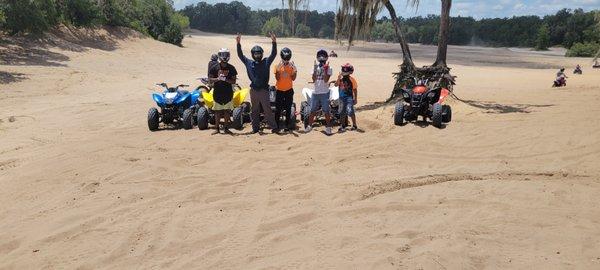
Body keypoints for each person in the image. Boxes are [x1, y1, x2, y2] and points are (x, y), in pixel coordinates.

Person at [236, 33, 278, 134]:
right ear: (252, 54)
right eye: (255, 54)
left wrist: (274, 42)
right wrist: (238, 43)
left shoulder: (266, 62)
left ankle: (274, 127)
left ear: (262, 54)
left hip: (264, 90)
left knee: (267, 110)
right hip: (254, 90)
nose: (257, 55)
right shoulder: (249, 63)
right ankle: (255, 128)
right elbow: (240, 55)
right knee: (254, 110)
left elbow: (274, 54)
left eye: (259, 53)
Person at [208, 48, 238, 135]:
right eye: (222, 54)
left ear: (228, 55)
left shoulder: (232, 68)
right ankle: (217, 128)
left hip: (228, 92)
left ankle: (226, 128)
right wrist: (217, 79)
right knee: (217, 111)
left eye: (226, 54)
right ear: (219, 55)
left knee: (227, 111)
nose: (224, 57)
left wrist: (225, 79)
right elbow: (210, 80)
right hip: (217, 92)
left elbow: (234, 81)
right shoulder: (214, 67)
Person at [305, 49, 333, 135]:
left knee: (326, 111)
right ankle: (310, 126)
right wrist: (314, 70)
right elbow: (313, 80)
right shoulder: (315, 67)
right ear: (317, 58)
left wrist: (325, 69)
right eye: (320, 56)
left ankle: (328, 127)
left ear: (326, 58)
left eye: (323, 56)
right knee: (312, 110)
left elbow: (325, 80)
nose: (321, 58)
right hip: (316, 92)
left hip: (324, 93)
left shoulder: (329, 68)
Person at [273, 47, 297, 131]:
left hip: (289, 90)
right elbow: (277, 78)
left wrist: (295, 70)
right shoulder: (277, 65)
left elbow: (293, 78)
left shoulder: (291, 66)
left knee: (288, 108)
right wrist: (278, 70)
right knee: (278, 108)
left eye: (287, 58)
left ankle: (287, 125)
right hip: (279, 90)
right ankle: (276, 125)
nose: (286, 60)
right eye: (285, 58)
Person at [335, 63, 358, 132]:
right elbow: (336, 85)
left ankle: (354, 125)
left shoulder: (352, 79)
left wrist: (355, 98)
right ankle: (342, 126)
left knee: (350, 111)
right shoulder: (341, 79)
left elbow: (355, 89)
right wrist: (338, 78)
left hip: (349, 98)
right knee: (342, 112)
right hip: (341, 98)